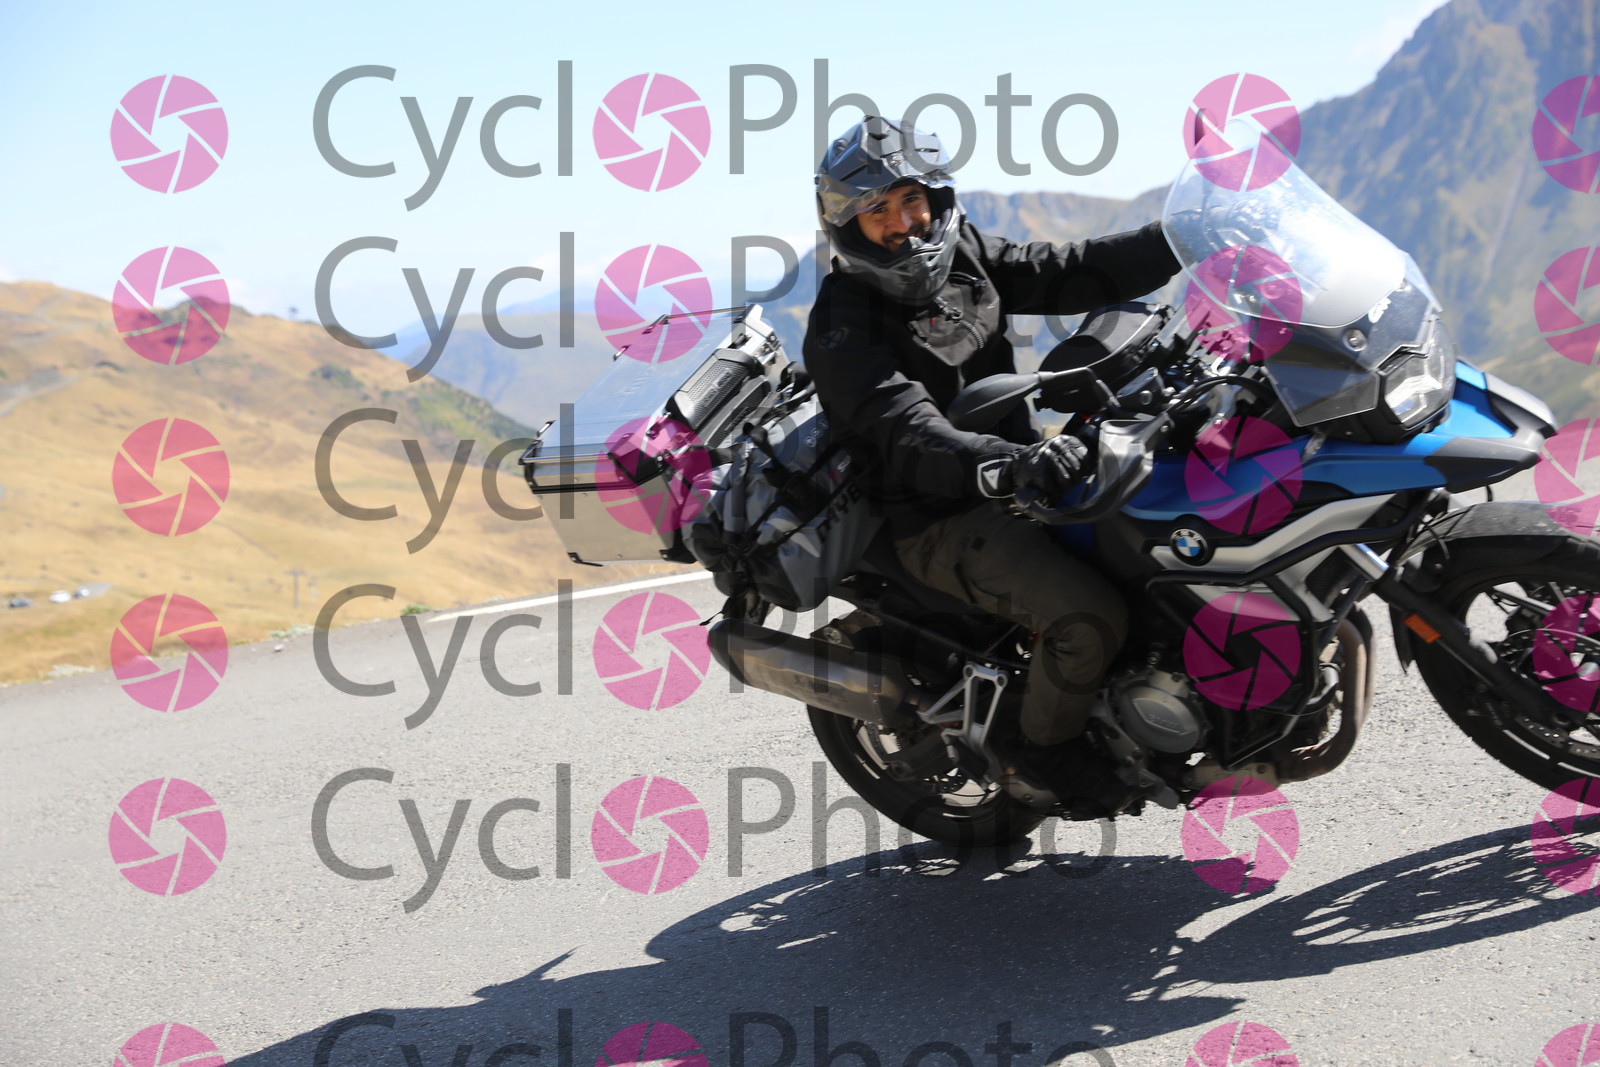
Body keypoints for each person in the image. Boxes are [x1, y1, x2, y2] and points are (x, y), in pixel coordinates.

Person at [802, 116, 1181, 811]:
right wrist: (1005, 464)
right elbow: (908, 430)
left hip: (1022, 472)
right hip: (940, 517)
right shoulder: (842, 325)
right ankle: (1045, 751)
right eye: (878, 210)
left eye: (911, 198)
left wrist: (1178, 239)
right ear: (848, 225)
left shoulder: (964, 254)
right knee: (1087, 616)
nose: (903, 223)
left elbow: (1065, 270)